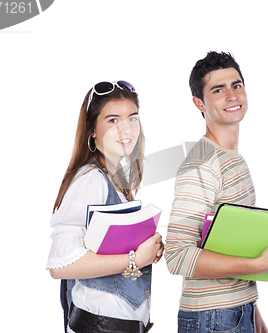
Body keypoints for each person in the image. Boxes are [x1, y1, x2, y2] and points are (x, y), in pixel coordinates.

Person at [165, 51, 268, 333]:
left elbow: (229, 245)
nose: (232, 95)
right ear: (199, 103)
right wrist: (258, 264)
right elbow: (176, 256)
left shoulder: (231, 158)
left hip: (236, 311)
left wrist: (253, 314)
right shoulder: (201, 165)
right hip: (212, 317)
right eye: (218, 89)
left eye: (236, 85)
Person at [46, 80, 164, 333]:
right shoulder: (91, 180)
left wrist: (148, 248)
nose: (126, 129)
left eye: (132, 118)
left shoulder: (116, 179)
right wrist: (134, 259)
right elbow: (59, 265)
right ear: (92, 131)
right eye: (112, 120)